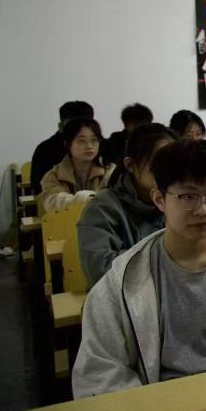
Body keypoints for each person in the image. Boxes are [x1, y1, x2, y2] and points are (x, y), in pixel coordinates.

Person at [72, 139, 206, 397]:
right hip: (159, 405)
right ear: (159, 199)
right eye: (188, 196)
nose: (202, 209)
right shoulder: (122, 280)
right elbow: (101, 373)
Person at [77, 124, 176, 290]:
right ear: (130, 164)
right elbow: (100, 270)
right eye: (157, 162)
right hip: (121, 299)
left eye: (172, 162)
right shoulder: (102, 208)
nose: (167, 170)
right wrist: (170, 258)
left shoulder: (178, 201)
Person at [41, 117, 115, 212]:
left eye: (94, 140)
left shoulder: (110, 171)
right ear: (67, 144)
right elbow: (53, 203)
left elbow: (114, 201)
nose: (89, 146)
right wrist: (86, 198)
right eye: (82, 141)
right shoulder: (53, 175)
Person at [31, 100, 94, 194]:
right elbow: (40, 191)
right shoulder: (45, 150)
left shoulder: (102, 146)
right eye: (72, 127)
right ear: (61, 126)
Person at [102, 103, 153, 169]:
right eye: (135, 125)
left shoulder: (153, 141)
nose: (139, 129)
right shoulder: (115, 139)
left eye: (143, 125)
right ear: (125, 125)